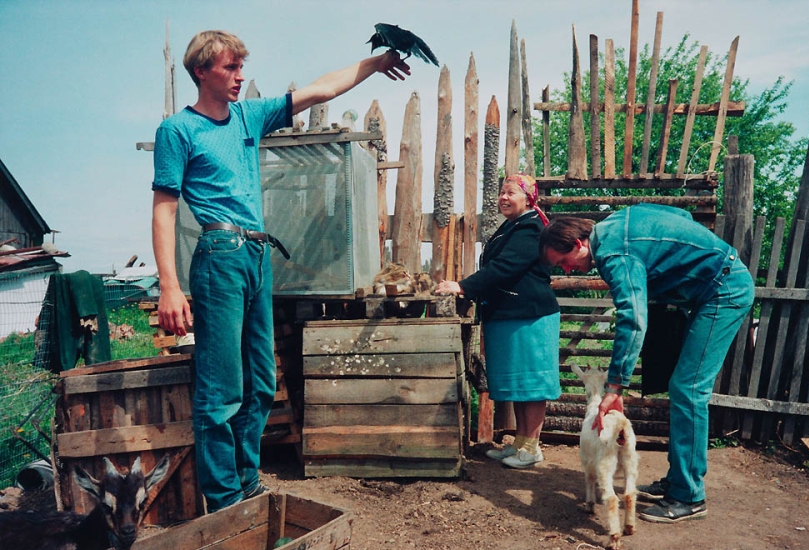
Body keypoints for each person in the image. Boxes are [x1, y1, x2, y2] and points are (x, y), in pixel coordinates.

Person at [151, 30, 410, 513]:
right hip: (218, 256)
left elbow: (321, 88)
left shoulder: (249, 116)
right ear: (201, 71)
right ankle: (227, 500)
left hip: (255, 254)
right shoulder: (178, 130)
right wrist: (169, 284)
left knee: (262, 383)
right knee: (221, 388)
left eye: (241, 67)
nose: (240, 76)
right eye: (230, 68)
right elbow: (164, 209)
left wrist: (374, 65)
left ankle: (247, 484)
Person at [539, 203, 754, 523]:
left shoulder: (613, 254)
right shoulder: (616, 222)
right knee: (682, 386)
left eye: (564, 263)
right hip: (712, 288)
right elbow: (682, 217)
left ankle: (689, 496)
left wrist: (614, 386)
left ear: (578, 244)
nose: (567, 271)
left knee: (689, 388)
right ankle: (678, 481)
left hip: (723, 290)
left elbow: (634, 318)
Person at [436, 173, 561, 469]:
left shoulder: (531, 228)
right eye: (502, 192)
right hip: (511, 315)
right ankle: (521, 443)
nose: (504, 198)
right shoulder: (513, 225)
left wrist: (464, 286)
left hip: (530, 316)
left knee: (531, 384)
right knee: (519, 384)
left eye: (511, 193)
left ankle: (531, 448)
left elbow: (506, 267)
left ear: (528, 198)